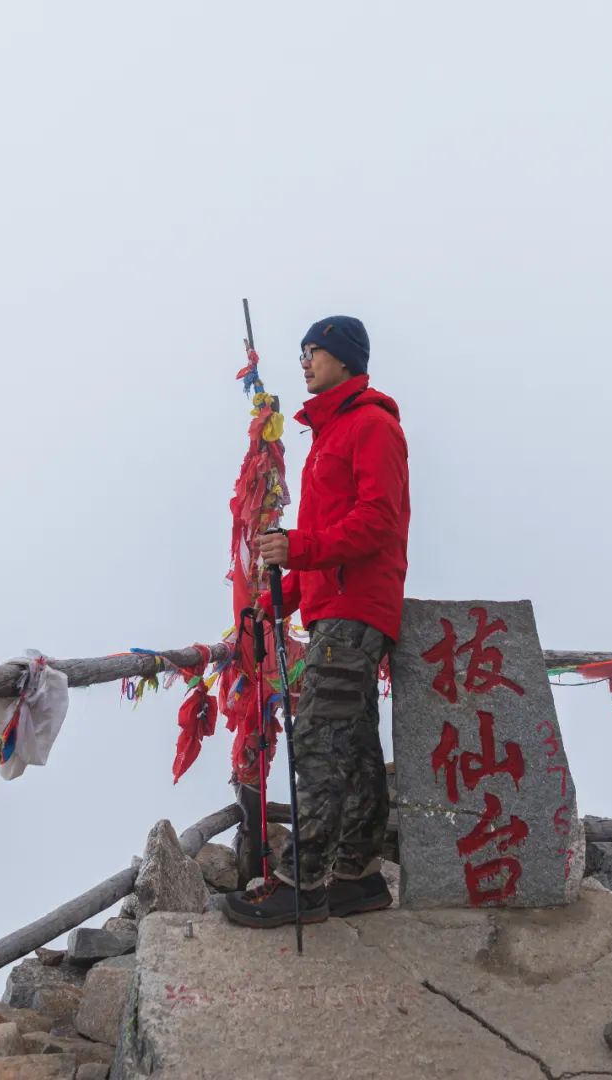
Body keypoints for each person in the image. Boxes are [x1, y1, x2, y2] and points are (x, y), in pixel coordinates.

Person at [222, 315, 410, 929]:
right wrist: (282, 599)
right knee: (353, 747)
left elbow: (378, 523)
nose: (304, 361)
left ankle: (301, 884)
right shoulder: (329, 434)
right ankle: (358, 879)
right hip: (339, 607)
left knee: (317, 741)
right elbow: (324, 542)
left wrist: (295, 551)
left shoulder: (372, 427)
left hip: (357, 611)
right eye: (303, 352)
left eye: (315, 352)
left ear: (346, 359)